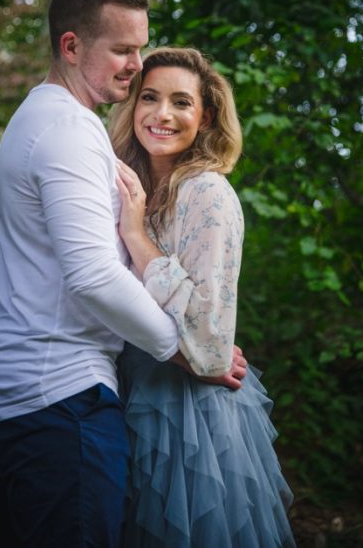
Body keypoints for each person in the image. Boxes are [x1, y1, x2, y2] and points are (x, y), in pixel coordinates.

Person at [0, 0, 244, 547]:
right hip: (57, 398)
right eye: (123, 50)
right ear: (71, 46)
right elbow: (92, 275)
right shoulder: (69, 129)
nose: (136, 65)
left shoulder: (40, 118)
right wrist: (184, 351)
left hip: (23, 396)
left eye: (139, 48)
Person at [109, 48, 295, 547]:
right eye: (149, 97)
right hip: (125, 385)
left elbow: (210, 338)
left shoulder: (207, 192)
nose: (162, 114)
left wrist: (137, 236)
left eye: (181, 102)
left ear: (205, 117)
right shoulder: (127, 184)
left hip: (187, 409)